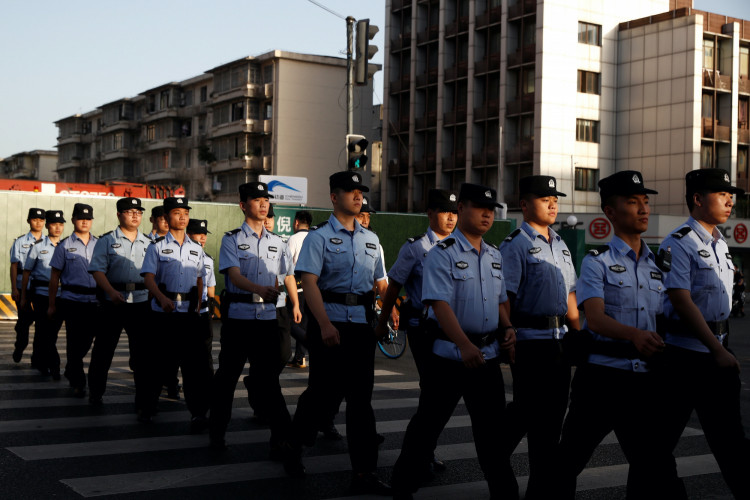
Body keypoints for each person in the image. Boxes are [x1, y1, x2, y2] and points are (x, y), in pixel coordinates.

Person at [557, 171, 683, 499]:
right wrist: (635, 336)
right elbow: (595, 319)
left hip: (645, 382)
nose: (643, 209)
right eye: (632, 202)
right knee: (565, 464)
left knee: (656, 466)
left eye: (645, 202)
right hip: (601, 380)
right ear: (610, 212)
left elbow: (668, 319)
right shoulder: (597, 263)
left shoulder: (659, 267)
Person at [390, 183, 517, 500]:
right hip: (448, 356)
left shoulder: (494, 255)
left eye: (490, 209)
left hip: (486, 357)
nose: (487, 214)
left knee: (493, 437)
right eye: (479, 207)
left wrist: (508, 327)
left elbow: (501, 300)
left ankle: (505, 495)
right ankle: (402, 488)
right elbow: (438, 303)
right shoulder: (440, 254)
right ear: (461, 209)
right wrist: (463, 344)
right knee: (427, 428)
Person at [290, 171, 390, 494]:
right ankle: (294, 447)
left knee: (361, 401)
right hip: (329, 324)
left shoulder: (371, 240)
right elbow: (309, 284)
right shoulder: (317, 238)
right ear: (334, 197)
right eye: (350, 190)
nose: (357, 195)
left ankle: (364, 473)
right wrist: (324, 324)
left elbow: (381, 284)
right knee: (321, 394)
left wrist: (389, 314)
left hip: (361, 328)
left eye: (360, 190)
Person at [657, 168, 750, 499]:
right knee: (659, 445)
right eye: (721, 194)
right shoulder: (678, 243)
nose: (730, 201)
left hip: (716, 354)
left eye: (731, 195)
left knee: (732, 445)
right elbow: (682, 302)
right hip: (683, 358)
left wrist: (721, 349)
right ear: (697, 199)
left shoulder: (721, 245)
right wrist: (718, 350)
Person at [209, 182, 302, 477]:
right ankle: (217, 431)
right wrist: (261, 289)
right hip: (238, 319)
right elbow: (234, 276)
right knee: (227, 377)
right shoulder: (232, 240)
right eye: (256, 199)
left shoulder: (279, 241)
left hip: (266, 320)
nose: (263, 204)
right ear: (243, 205)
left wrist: (296, 304)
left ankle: (283, 443)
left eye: (265, 199)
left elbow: (288, 276)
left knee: (269, 383)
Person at [499, 176, 579, 499]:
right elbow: (504, 296)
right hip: (531, 343)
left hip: (560, 343)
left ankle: (538, 492)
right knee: (529, 415)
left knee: (551, 425)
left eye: (555, 198)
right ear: (524, 204)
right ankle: (494, 450)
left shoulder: (560, 243)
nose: (552, 203)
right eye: (544, 198)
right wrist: (508, 331)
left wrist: (578, 335)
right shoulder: (515, 244)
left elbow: (571, 295)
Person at [375, 189, 457, 476]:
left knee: (442, 398)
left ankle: (422, 451)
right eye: (445, 211)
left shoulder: (462, 247)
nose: (451, 217)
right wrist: (383, 321)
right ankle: (418, 457)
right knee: (433, 393)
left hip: (454, 332)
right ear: (430, 213)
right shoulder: (416, 248)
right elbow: (394, 286)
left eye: (454, 212)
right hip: (424, 329)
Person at [142, 197, 210, 428]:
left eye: (185, 213)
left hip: (188, 314)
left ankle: (198, 412)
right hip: (163, 313)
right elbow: (148, 278)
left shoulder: (196, 248)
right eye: (177, 213)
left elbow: (200, 278)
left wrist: (199, 306)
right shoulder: (157, 246)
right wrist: (161, 298)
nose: (182, 217)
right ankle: (148, 407)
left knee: (192, 366)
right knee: (157, 363)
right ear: (167, 217)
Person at [88, 197, 151, 408]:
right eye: (129, 211)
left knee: (142, 354)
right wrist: (111, 292)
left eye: (138, 212)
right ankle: (95, 394)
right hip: (112, 302)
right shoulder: (106, 241)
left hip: (141, 302)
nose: (135, 215)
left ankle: (144, 401)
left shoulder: (149, 243)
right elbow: (97, 270)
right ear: (118, 214)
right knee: (103, 351)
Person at [48, 203, 98, 398]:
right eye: (80, 218)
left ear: (92, 221)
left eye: (88, 218)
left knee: (87, 341)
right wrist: (52, 304)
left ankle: (71, 366)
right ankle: (78, 381)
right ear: (73, 220)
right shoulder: (64, 246)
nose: (84, 221)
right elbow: (54, 277)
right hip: (71, 300)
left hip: (94, 300)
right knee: (74, 341)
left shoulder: (99, 245)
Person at [20, 210, 65, 378]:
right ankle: (52, 365)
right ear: (47, 226)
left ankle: (40, 359)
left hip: (61, 294)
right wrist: (24, 296)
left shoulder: (66, 246)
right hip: (41, 294)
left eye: (61, 224)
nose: (58, 227)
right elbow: (26, 273)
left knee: (50, 332)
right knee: (43, 329)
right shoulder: (38, 247)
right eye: (54, 224)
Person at [10, 208, 45, 363]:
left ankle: (37, 356)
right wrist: (14, 288)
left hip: (39, 286)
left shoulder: (49, 242)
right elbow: (14, 266)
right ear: (29, 221)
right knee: (24, 320)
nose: (38, 222)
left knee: (41, 324)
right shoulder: (20, 242)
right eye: (35, 219)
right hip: (22, 285)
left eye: (41, 220)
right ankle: (20, 346)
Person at [186, 219, 216, 374]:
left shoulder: (209, 260)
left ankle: (207, 385)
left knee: (206, 350)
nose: (203, 237)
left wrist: (211, 307)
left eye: (204, 234)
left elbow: (210, 286)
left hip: (204, 311)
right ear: (188, 234)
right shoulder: (182, 256)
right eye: (199, 234)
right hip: (186, 309)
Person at [286, 210, 313, 368]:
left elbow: (287, 266)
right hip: (314, 288)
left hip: (297, 287)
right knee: (304, 324)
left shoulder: (294, 239)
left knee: (290, 322)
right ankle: (300, 357)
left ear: (296, 222)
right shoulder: (315, 237)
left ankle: (311, 346)